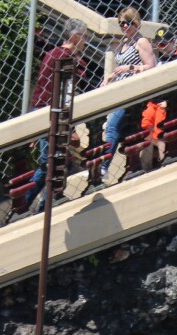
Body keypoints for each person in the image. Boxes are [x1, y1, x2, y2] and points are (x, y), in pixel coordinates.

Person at [26, 19, 88, 209]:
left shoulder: (53, 53)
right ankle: (31, 202)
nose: (85, 42)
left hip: (43, 111)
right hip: (52, 115)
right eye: (84, 38)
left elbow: (42, 90)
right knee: (51, 162)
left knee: (51, 161)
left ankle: (36, 201)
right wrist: (70, 130)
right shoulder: (66, 59)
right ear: (75, 37)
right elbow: (63, 97)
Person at [100, 7, 156, 184]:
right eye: (121, 23)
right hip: (120, 90)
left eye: (127, 22)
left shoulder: (142, 42)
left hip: (132, 93)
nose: (124, 26)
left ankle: (103, 165)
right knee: (117, 129)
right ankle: (117, 165)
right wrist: (111, 75)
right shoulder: (125, 42)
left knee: (112, 127)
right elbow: (121, 67)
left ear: (136, 23)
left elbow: (151, 66)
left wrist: (130, 68)